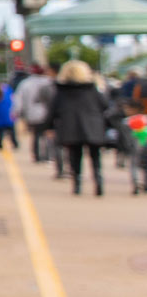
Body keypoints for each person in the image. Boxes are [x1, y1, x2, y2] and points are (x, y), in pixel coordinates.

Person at [53, 58, 108, 195]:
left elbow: (54, 109)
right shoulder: (92, 88)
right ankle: (98, 182)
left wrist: (49, 127)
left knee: (75, 156)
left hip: (71, 125)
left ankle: (77, 184)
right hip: (93, 125)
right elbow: (105, 105)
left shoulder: (62, 90)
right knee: (95, 156)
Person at [14, 64, 56, 168]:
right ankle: (47, 155)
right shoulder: (49, 82)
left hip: (32, 114)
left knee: (36, 134)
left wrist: (17, 112)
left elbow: (18, 98)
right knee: (48, 135)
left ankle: (37, 155)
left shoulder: (25, 83)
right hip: (48, 113)